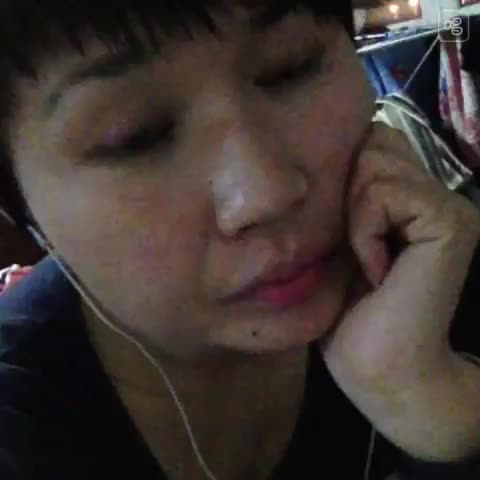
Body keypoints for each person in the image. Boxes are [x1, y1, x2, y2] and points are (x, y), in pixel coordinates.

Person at [0, 2, 480, 479]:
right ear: (20, 205)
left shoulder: (433, 276)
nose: (266, 195)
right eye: (135, 137)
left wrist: (441, 409)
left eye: (290, 67)